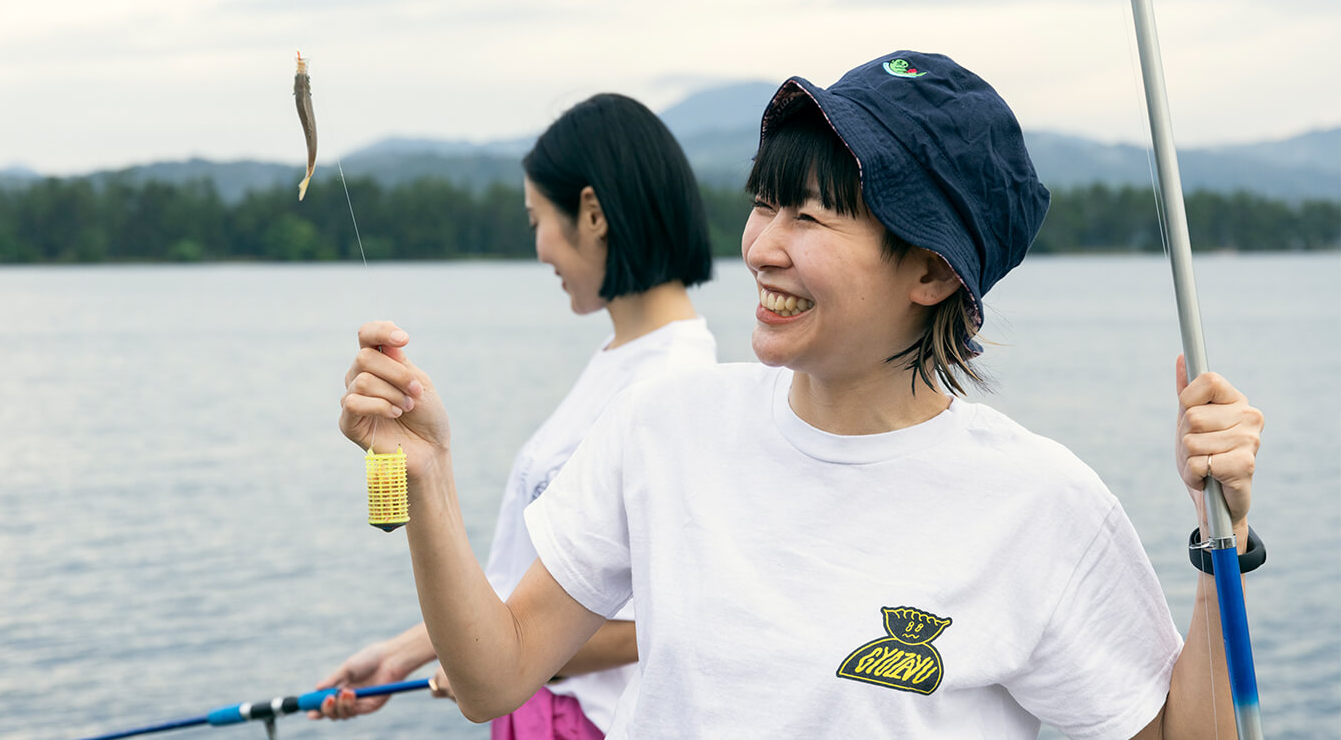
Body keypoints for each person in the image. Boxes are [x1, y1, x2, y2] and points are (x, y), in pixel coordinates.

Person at [336, 52, 1265, 739]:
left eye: (810, 217)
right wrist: (428, 480)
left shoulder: (1043, 504)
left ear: (933, 272)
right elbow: (495, 674)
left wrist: (1217, 541)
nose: (761, 247)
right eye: (763, 203)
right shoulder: (666, 426)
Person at [313, 93, 718, 738]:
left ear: (591, 213)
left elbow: (673, 617)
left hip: (586, 720)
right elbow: (542, 582)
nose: (538, 249)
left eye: (537, 220)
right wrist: (404, 653)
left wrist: (495, 661)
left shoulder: (677, 382)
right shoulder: (620, 360)